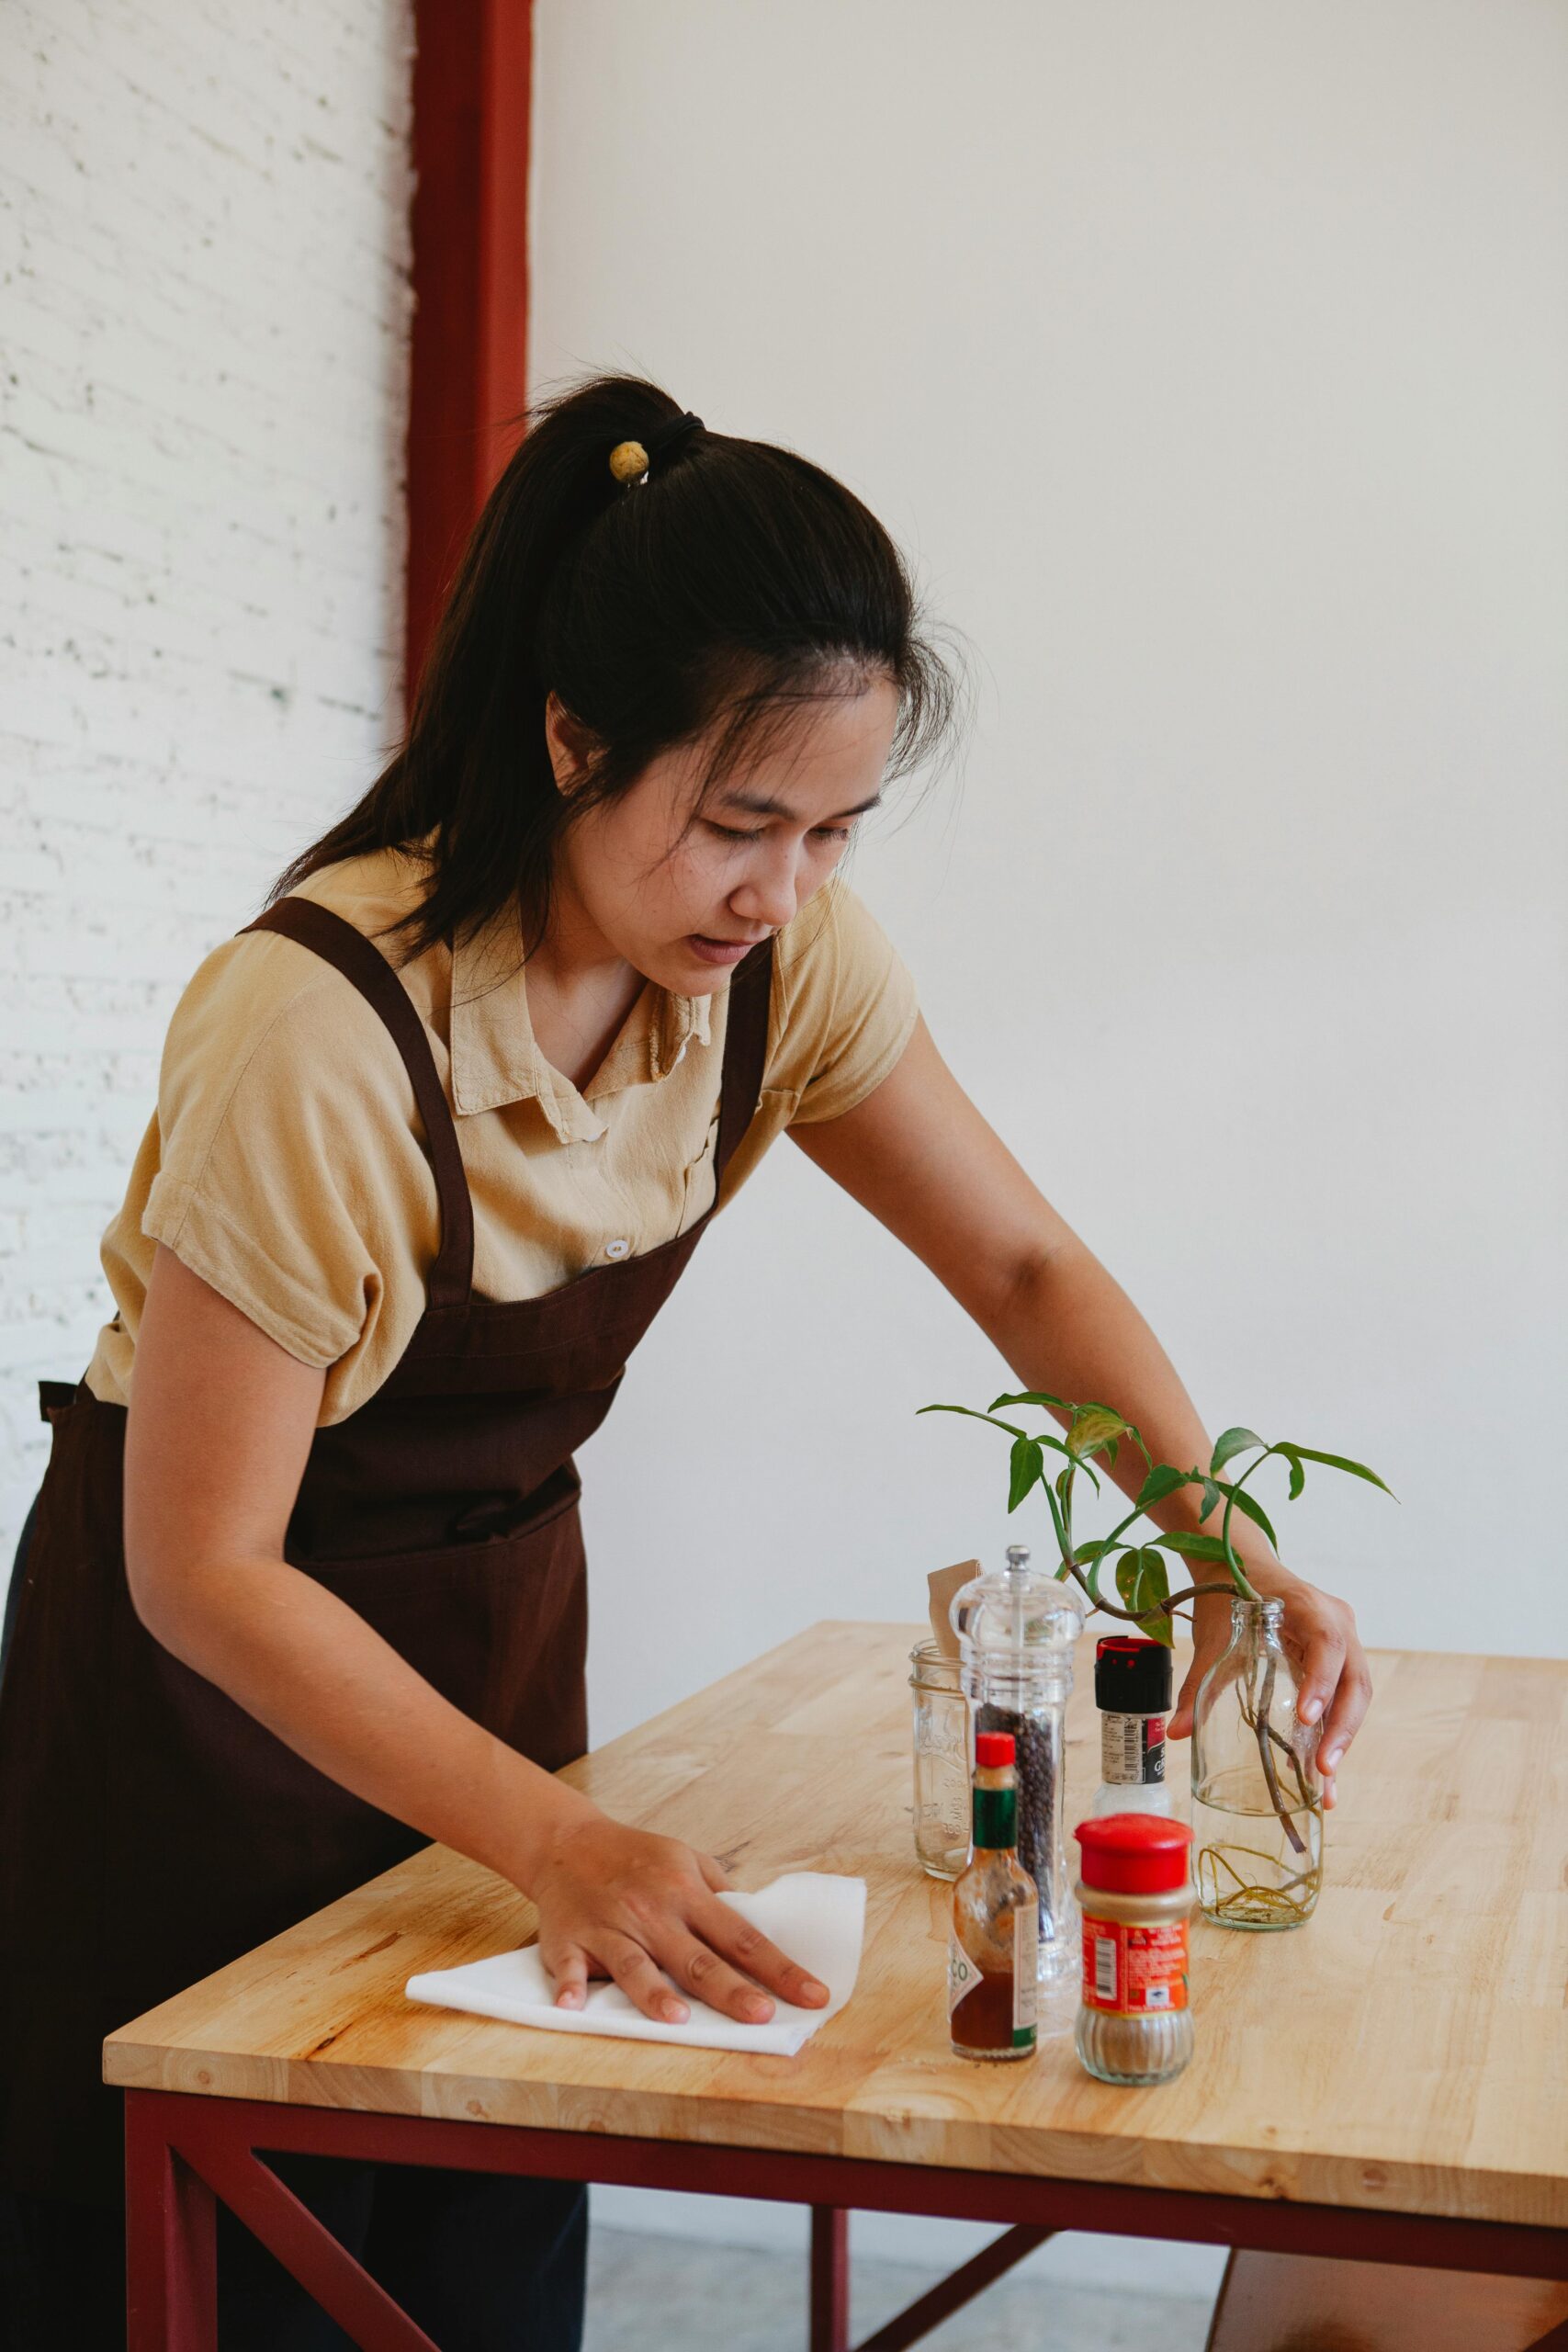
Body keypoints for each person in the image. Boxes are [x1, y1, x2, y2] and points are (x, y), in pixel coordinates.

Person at [0, 374, 1371, 2348]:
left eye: (832, 830)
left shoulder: (777, 960)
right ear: (569, 736)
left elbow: (1013, 1257)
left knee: (480, 2258)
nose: (784, 889)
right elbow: (199, 1566)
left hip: (485, 1664)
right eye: (740, 823)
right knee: (235, 2263)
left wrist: (1216, 1541)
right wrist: (553, 1834)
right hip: (200, 1736)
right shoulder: (312, 1031)